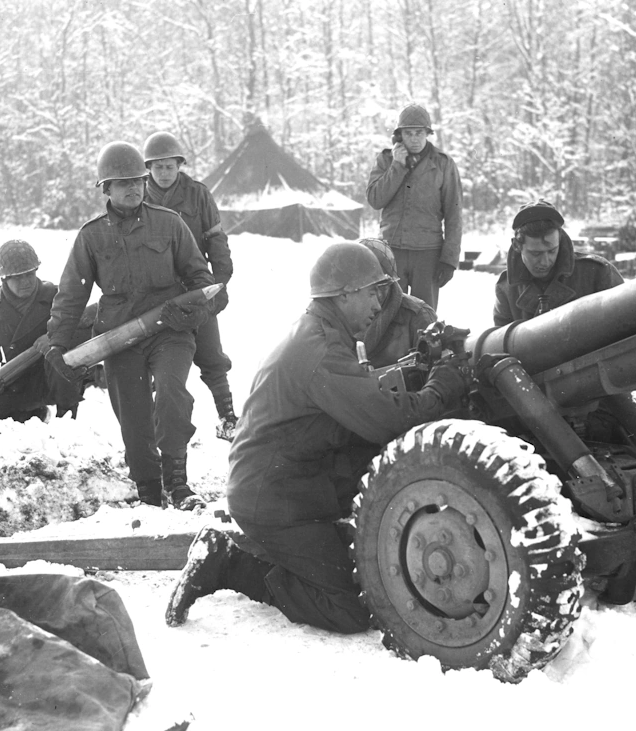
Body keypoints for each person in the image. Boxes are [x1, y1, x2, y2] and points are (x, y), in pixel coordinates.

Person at [165, 241, 467, 632]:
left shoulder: (319, 333)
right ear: (345, 295)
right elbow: (387, 420)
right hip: (274, 500)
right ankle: (229, 563)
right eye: (373, 292)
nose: (380, 304)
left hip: (292, 482)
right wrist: (440, 389)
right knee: (352, 607)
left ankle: (301, 548)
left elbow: (365, 394)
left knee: (371, 570)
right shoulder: (321, 349)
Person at [45, 141, 217, 510]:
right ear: (105, 189)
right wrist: (57, 344)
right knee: (133, 418)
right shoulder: (91, 236)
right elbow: (72, 294)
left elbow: (204, 281)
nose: (134, 188)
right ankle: (149, 490)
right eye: (123, 183)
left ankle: (178, 482)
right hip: (118, 337)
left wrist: (195, 314)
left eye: (138, 180)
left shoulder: (170, 224)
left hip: (169, 332)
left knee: (172, 393)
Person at [142, 131, 238, 441]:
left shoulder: (198, 194)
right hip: (157, 294)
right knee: (160, 359)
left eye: (170, 166)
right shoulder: (139, 196)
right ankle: (159, 423)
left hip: (196, 287)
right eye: (158, 167)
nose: (165, 173)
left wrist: (216, 290)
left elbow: (217, 243)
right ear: (148, 169)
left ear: (180, 165)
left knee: (211, 357)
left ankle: (227, 417)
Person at [0, 240, 95, 428]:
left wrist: (55, 338)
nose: (26, 281)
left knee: (59, 361)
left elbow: (87, 329)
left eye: (30, 274)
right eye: (18, 277)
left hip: (56, 379)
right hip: (15, 380)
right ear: (4, 279)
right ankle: (33, 413)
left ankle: (65, 420)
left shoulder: (57, 296)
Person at [365, 104, 462, 311]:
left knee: (424, 318)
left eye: (419, 133)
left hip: (428, 253)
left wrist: (449, 260)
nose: (415, 139)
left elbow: (454, 214)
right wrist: (397, 166)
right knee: (389, 315)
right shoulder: (385, 160)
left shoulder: (443, 164)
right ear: (399, 136)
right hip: (392, 251)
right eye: (409, 133)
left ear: (428, 133)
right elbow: (375, 199)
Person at [494, 201, 623, 326]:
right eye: (535, 254)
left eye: (551, 251)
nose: (545, 262)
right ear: (517, 245)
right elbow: (500, 343)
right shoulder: (507, 289)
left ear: (559, 242)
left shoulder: (597, 272)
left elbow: (626, 325)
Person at [358, 237, 436, 368]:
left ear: (390, 284)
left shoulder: (418, 317)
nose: (374, 296)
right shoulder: (342, 314)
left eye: (379, 287)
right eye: (364, 288)